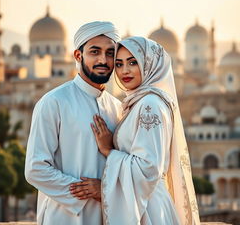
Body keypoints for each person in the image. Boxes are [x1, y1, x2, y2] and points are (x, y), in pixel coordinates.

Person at [78, 36, 200, 224]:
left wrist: (108, 151)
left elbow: (149, 168)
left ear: (149, 64)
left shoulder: (149, 104)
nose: (124, 71)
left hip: (147, 208)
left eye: (133, 62)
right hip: (143, 204)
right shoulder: (139, 102)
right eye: (118, 64)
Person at [25, 21, 122, 225]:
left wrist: (105, 190)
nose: (103, 60)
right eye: (94, 51)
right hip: (65, 216)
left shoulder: (117, 108)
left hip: (110, 215)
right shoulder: (54, 102)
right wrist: (89, 191)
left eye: (110, 53)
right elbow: (36, 169)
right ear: (78, 56)